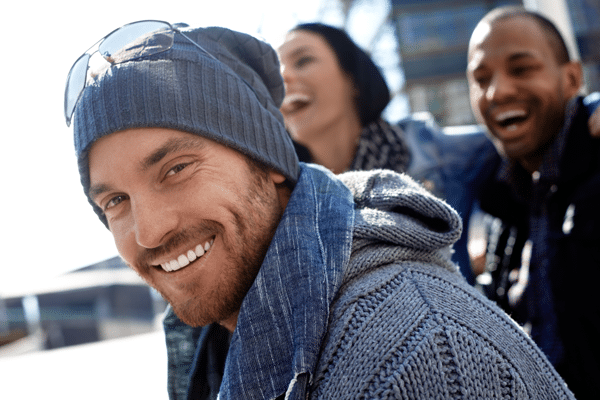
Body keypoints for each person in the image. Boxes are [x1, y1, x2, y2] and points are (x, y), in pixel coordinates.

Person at [65, 21, 576, 399]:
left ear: (268, 162)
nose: (149, 230)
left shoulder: (408, 355)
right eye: (114, 201)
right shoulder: (213, 341)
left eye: (176, 169)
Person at [277, 22, 600, 284]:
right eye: (277, 68)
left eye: (303, 60)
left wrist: (591, 108)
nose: (283, 76)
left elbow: (525, 130)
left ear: (353, 80)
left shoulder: (432, 152)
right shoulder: (289, 191)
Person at [466, 7, 600, 398]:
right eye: (481, 79)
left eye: (521, 69)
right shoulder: (498, 202)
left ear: (572, 78)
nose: (498, 91)